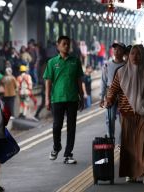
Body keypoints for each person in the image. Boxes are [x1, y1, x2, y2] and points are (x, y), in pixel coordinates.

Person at [106, 44, 144, 184]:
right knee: (129, 144)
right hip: (127, 113)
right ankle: (131, 173)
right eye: (133, 53)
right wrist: (109, 100)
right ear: (128, 56)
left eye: (139, 53)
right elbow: (113, 89)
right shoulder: (121, 71)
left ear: (143, 56)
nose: (135, 56)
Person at [43, 35, 84, 164]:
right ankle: (57, 147)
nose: (66, 46)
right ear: (58, 46)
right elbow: (48, 82)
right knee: (56, 126)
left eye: (68, 44)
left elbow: (79, 80)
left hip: (72, 98)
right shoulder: (52, 62)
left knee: (71, 127)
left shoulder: (75, 61)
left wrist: (81, 96)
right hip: (57, 98)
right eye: (64, 44)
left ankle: (68, 154)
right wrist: (47, 99)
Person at [100, 42, 126, 138]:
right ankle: (110, 139)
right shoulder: (107, 65)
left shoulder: (127, 65)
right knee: (110, 118)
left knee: (124, 120)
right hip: (111, 95)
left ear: (123, 51)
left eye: (119, 49)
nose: (116, 51)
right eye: (115, 49)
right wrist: (102, 98)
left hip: (124, 95)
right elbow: (103, 81)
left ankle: (123, 142)